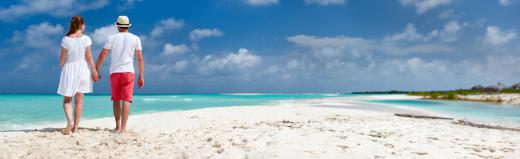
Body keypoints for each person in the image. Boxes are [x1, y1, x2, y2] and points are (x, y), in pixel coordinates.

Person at [96, 15, 144, 133]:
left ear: (117, 26)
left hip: (115, 72)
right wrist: (141, 76)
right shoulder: (136, 38)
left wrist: (97, 69)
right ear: (128, 26)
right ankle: (123, 128)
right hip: (128, 72)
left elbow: (103, 54)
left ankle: (117, 126)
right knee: (126, 100)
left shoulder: (111, 38)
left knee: (116, 99)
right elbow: (139, 59)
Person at [57, 15, 100, 135]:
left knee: (67, 99)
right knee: (79, 101)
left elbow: (62, 58)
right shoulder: (86, 39)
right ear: (82, 25)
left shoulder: (66, 39)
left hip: (70, 67)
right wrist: (95, 72)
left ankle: (69, 120)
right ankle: (75, 128)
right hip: (83, 69)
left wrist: (63, 69)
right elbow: (89, 57)